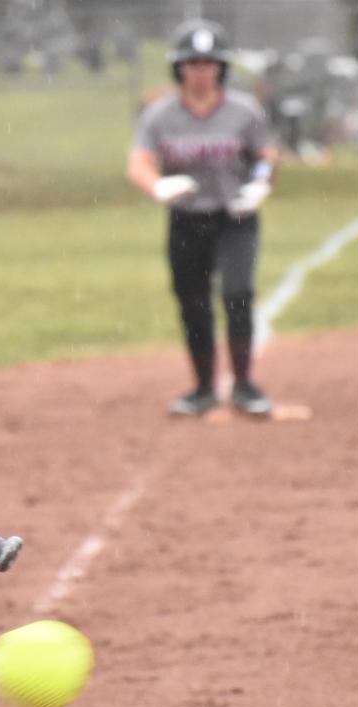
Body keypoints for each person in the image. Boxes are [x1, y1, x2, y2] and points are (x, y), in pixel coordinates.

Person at [126, 19, 279, 417]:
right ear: (179, 68)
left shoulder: (244, 111)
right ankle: (203, 389)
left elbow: (266, 155)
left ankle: (245, 386)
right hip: (187, 221)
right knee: (192, 302)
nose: (201, 71)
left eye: (209, 63)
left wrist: (260, 185)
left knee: (237, 294)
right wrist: (157, 186)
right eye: (192, 63)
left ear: (221, 68)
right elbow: (139, 161)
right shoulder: (161, 115)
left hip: (235, 217)